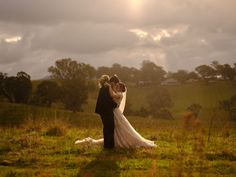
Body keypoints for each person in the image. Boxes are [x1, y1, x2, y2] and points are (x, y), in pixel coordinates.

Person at [94, 75, 120, 149]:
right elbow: (108, 99)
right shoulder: (107, 87)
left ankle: (106, 145)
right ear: (111, 82)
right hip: (107, 110)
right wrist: (115, 104)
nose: (114, 85)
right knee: (110, 127)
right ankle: (110, 146)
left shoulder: (103, 88)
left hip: (102, 111)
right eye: (114, 83)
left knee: (106, 127)